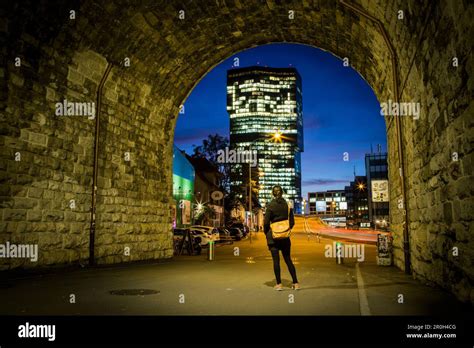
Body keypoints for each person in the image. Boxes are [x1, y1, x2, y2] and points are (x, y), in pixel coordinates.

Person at [264, 185, 300, 291]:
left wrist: (267, 232)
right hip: (285, 238)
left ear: (273, 193)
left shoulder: (270, 205)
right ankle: (295, 283)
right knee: (288, 260)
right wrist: (286, 230)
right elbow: (292, 222)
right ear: (282, 193)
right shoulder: (288, 205)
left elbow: (266, 222)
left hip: (273, 237)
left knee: (276, 261)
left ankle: (279, 284)